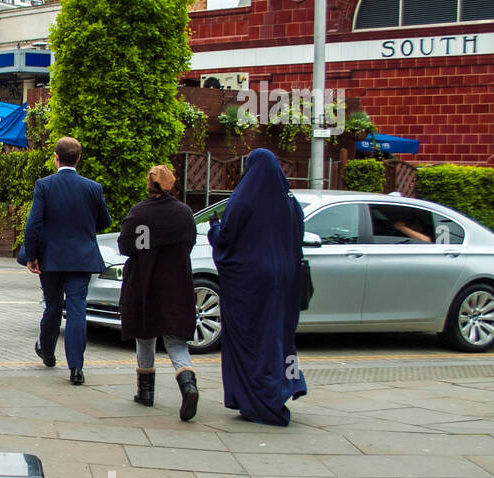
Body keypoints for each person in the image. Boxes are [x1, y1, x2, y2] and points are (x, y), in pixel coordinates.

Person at [208, 148, 308, 426]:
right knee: (279, 335)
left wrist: (214, 228)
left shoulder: (244, 198)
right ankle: (286, 384)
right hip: (286, 279)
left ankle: (257, 398)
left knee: (250, 339)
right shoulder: (290, 201)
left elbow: (227, 238)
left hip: (250, 281)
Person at [21, 136, 111, 385]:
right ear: (79, 158)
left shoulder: (44, 185)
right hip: (82, 258)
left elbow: (34, 224)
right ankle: (76, 368)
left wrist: (32, 255)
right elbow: (105, 222)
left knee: (52, 305)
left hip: (51, 258)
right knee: (76, 309)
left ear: (56, 157)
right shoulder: (93, 188)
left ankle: (47, 352)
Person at [117, 165, 199, 421]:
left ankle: (146, 392)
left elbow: (125, 245)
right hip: (176, 282)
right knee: (175, 340)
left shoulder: (139, 212)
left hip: (144, 282)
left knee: (145, 335)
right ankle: (188, 384)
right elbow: (190, 242)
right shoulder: (184, 213)